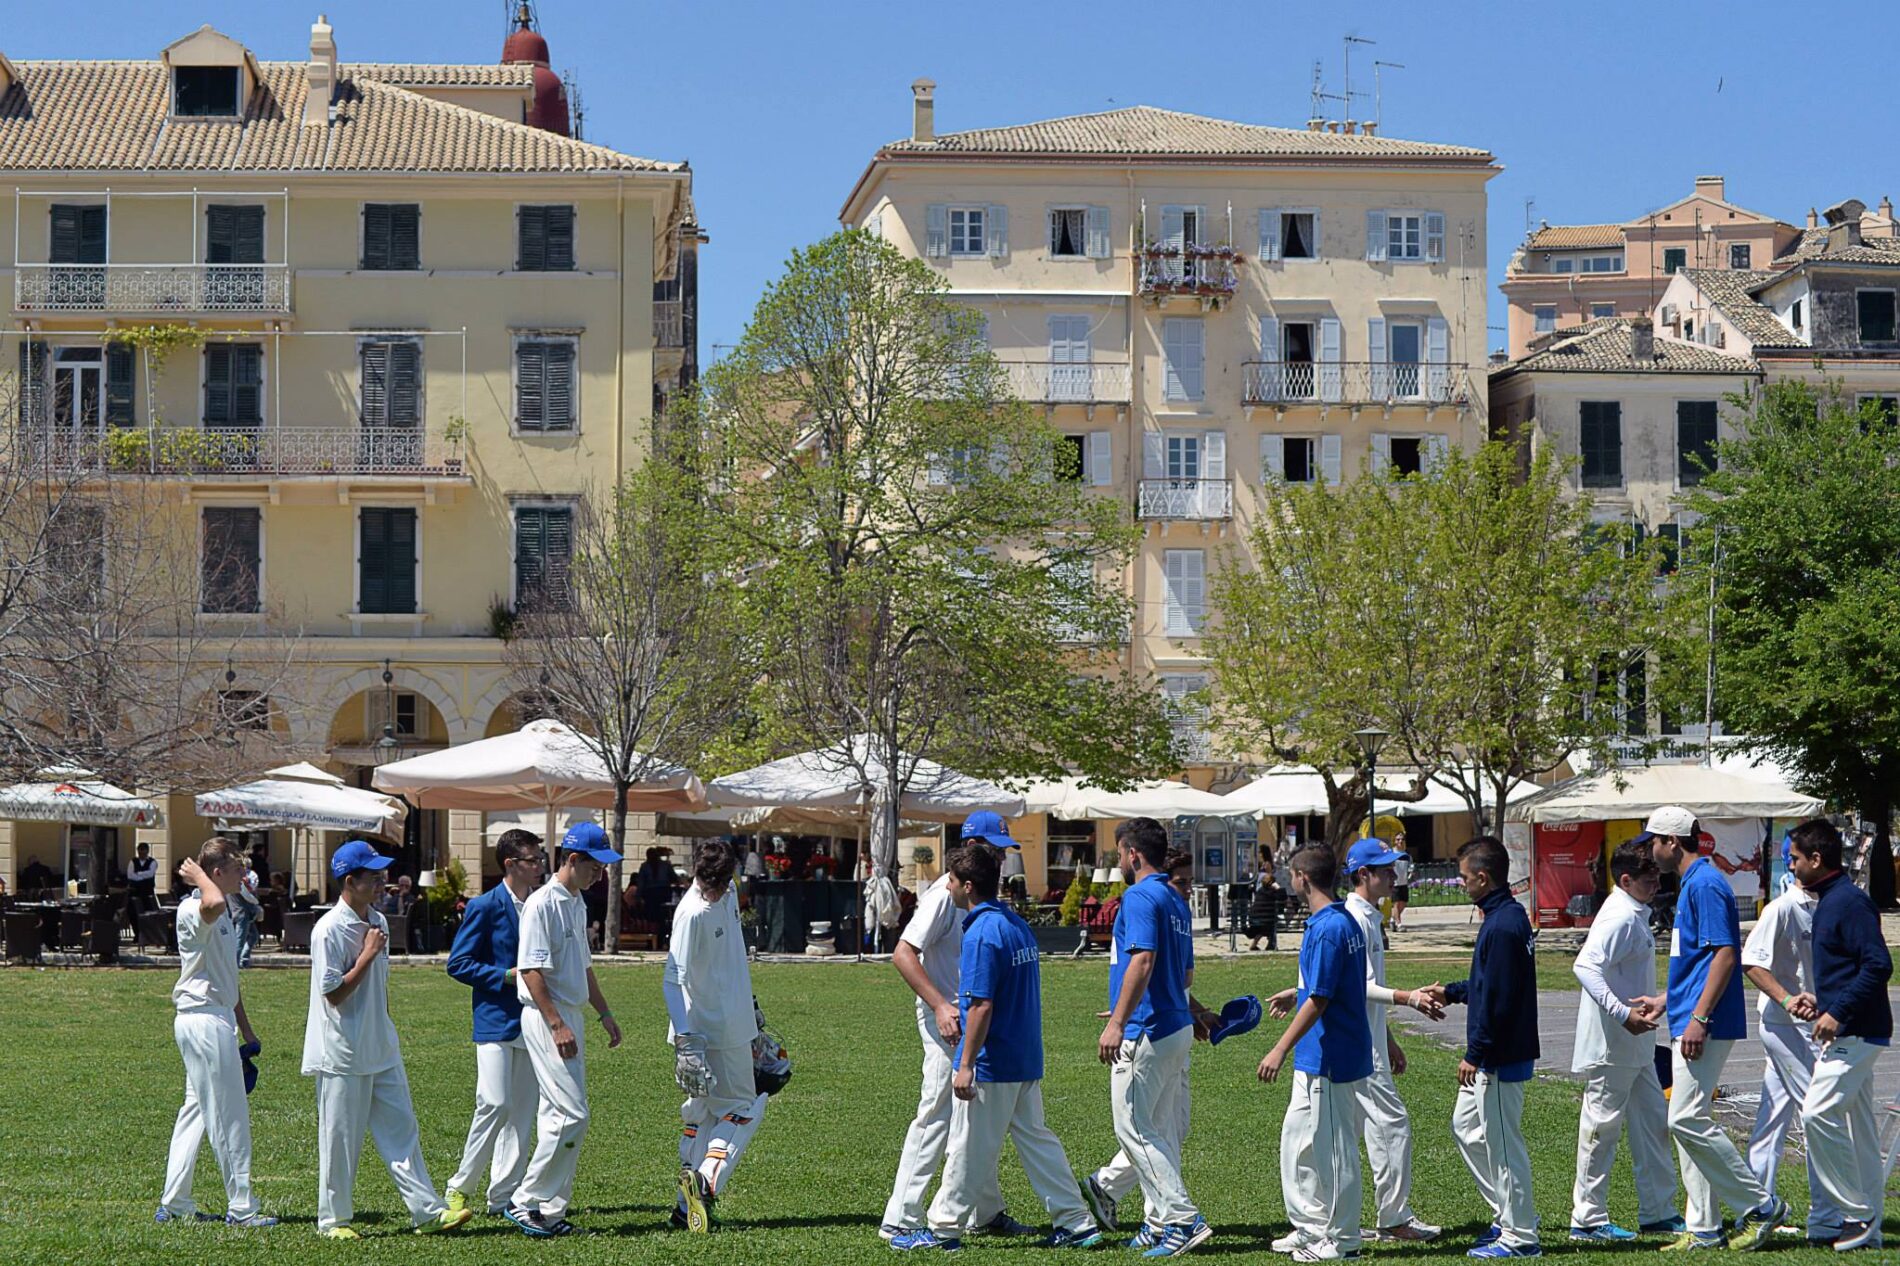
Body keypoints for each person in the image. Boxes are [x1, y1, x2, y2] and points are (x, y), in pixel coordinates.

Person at [900, 843, 1102, 1251]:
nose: (949, 887)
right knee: (1038, 1142)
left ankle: (942, 1229)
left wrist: (966, 1064)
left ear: (968, 886)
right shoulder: (1016, 925)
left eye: (952, 881)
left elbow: (981, 1004)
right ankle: (1077, 1221)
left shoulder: (980, 932)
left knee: (966, 1145)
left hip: (994, 1060)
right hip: (1024, 1056)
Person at [302, 839, 471, 1239]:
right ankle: (333, 1221)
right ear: (349, 881)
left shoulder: (375, 919)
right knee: (340, 1140)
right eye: (373, 876)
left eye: (383, 875)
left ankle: (427, 1212)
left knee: (402, 1131)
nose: (383, 882)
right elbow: (333, 993)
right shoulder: (328, 930)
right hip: (342, 1050)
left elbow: (378, 989)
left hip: (381, 1046)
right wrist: (367, 954)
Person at [880, 819, 1034, 1242]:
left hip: (968, 1020)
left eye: (1004, 849)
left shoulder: (979, 898)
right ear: (970, 845)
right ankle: (901, 1216)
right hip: (945, 1020)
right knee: (936, 1114)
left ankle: (984, 1212)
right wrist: (940, 1005)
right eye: (995, 848)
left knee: (975, 1117)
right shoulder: (943, 897)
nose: (1002, 857)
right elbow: (903, 953)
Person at [1643, 805, 1786, 1250]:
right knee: (1689, 1121)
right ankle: (1703, 1227)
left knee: (1683, 1117)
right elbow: (1699, 961)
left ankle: (1760, 1205)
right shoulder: (1692, 884)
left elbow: (1727, 955)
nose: (1650, 850)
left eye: (1654, 841)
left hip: (1702, 1023)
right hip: (1687, 1016)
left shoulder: (1705, 884)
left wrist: (1699, 1018)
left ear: (1672, 842)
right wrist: (1667, 1000)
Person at [1084, 818, 1209, 1256]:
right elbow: (1185, 972)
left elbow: (1142, 962)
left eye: (1119, 854)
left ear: (1133, 854)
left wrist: (1118, 1021)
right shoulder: (1175, 900)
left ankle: (1183, 1218)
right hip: (1175, 1026)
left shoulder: (1138, 896)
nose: (1119, 861)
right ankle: (1160, 1224)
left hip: (1148, 1029)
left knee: (1135, 1129)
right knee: (1155, 1130)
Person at [1424, 837, 1540, 1259]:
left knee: (1505, 1145)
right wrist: (1452, 991)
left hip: (1501, 1055)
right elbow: (1487, 985)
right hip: (1497, 1052)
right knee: (1466, 1127)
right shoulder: (1503, 918)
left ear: (1483, 877)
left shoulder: (1504, 925)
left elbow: (1500, 1001)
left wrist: (1476, 1053)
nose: (1461, 882)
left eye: (1463, 876)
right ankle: (1512, 1212)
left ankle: (1521, 1236)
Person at [507, 823, 624, 1237]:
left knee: (557, 1116)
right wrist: (556, 1023)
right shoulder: (542, 904)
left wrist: (604, 1012)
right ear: (573, 860)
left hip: (570, 1015)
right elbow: (531, 969)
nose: (601, 874)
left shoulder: (577, 902)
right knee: (574, 1114)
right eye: (595, 865)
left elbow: (584, 965)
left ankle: (550, 1210)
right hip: (545, 1017)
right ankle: (524, 1200)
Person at [1258, 844, 1371, 1264]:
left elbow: (1322, 998)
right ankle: (1311, 1224)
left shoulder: (1330, 926)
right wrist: (1296, 991)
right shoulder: (1337, 920)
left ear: (1303, 877)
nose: (1290, 879)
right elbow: (1324, 985)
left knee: (1335, 1149)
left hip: (1330, 1055)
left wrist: (1279, 1047)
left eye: (1292, 874)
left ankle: (1343, 1241)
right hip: (1316, 1056)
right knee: (1298, 1141)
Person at [155, 837, 276, 1228]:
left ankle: (174, 1201)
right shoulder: (199, 907)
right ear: (217, 872)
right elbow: (213, 902)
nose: (245, 873)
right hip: (203, 1019)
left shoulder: (223, 909)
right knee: (229, 1115)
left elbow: (228, 979)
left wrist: (247, 1031)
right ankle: (242, 1208)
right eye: (237, 868)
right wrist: (196, 875)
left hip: (216, 1017)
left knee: (196, 1112)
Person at [1567, 842, 1681, 1242]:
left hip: (1637, 1048)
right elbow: (1585, 966)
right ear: (1626, 880)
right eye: (1649, 880)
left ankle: (1659, 1211)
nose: (1657, 885)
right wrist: (1622, 1013)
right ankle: (1588, 1218)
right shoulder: (1619, 917)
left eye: (1658, 878)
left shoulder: (1633, 913)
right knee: (1601, 1130)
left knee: (1653, 1126)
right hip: (1613, 1046)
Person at [1332, 839, 1444, 1243]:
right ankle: (1393, 1218)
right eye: (1384, 870)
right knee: (1391, 1125)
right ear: (1363, 875)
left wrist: (1389, 1036)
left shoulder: (1368, 917)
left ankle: (1371, 1216)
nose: (1393, 877)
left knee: (1365, 1130)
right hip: (1360, 1046)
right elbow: (1359, 987)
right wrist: (1409, 998)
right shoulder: (1356, 920)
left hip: (1370, 1041)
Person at [1790, 819, 1893, 1253]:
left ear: (1817, 860)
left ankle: (1857, 1213)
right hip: (1852, 1027)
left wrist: (1837, 1011)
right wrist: (1822, 998)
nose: (1791, 867)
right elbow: (1852, 967)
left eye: (1795, 859)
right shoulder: (1832, 901)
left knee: (1815, 1113)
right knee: (1861, 1130)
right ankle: (1870, 1224)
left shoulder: (1848, 902)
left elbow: (1878, 964)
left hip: (1858, 1032)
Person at [443, 829, 546, 1219]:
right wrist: (506, 976)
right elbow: (458, 963)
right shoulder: (485, 906)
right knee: (494, 1102)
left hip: (533, 1020)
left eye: (541, 860)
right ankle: (459, 1186)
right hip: (495, 1019)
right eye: (533, 860)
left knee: (522, 1113)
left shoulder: (541, 904)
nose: (539, 867)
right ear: (510, 864)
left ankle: (503, 1196)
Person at [666, 838, 767, 1233]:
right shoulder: (691, 913)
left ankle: (682, 1206)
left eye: (723, 883)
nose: (718, 891)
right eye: (712, 885)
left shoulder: (727, 892)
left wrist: (752, 1005)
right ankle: (706, 1181)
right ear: (697, 875)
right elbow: (672, 981)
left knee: (704, 1113)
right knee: (745, 1106)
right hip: (712, 1032)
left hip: (734, 1021)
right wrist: (686, 1041)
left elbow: (729, 961)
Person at [1739, 838, 1833, 1242]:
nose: (1792, 867)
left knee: (1772, 1118)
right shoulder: (1782, 907)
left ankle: (1756, 1204)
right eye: (1790, 860)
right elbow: (1751, 961)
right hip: (1785, 1026)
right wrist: (1788, 999)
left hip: (1802, 1026)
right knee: (1818, 1113)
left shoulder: (1827, 902)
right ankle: (1826, 1217)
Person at [1246, 847, 1279, 952]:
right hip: (1263, 898)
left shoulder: (1267, 864)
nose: (1259, 854)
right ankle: (1271, 943)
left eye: (1260, 852)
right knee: (1269, 923)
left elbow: (1269, 876)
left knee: (1267, 923)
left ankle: (1270, 943)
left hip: (1263, 893)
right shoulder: (1262, 864)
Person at [637, 846, 674, 930]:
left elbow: (641, 883)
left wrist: (638, 897)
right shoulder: (665, 865)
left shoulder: (645, 866)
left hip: (652, 895)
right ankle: (661, 934)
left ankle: (654, 935)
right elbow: (673, 878)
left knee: (652, 918)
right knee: (662, 917)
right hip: (662, 893)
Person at [1389, 832, 1413, 932]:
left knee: (1403, 903)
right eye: (1398, 839)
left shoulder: (1406, 855)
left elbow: (1411, 867)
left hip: (1404, 882)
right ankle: (1399, 924)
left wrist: (1410, 875)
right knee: (1396, 904)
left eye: (1402, 839)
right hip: (1394, 883)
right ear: (1394, 841)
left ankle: (1392, 919)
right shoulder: (1391, 854)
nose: (1400, 841)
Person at [128, 842, 160, 915]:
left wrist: (138, 874)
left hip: (148, 891)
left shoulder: (153, 862)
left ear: (147, 852)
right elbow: (130, 875)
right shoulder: (133, 861)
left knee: (149, 912)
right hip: (135, 892)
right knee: (134, 912)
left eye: (143, 852)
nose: (141, 854)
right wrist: (143, 877)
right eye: (140, 852)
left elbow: (150, 874)